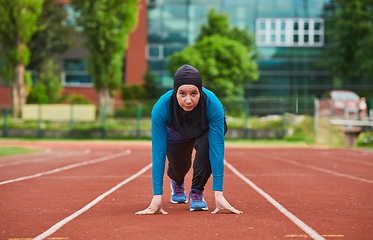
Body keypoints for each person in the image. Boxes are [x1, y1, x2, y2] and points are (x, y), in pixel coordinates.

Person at [135, 64, 242, 215]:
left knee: (208, 146)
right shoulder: (161, 108)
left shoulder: (213, 104)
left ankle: (196, 192)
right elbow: (158, 152)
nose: (188, 100)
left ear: (200, 91)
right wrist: (157, 196)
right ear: (175, 92)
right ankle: (177, 181)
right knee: (179, 167)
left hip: (204, 130)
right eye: (182, 94)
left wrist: (219, 193)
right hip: (176, 133)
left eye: (194, 93)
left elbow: (217, 149)